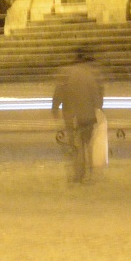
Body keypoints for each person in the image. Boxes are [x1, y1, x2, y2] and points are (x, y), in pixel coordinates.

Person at [51, 48, 104, 183]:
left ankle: (77, 173)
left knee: (75, 145)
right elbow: (97, 96)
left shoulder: (66, 73)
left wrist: (55, 108)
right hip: (87, 116)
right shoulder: (89, 74)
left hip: (71, 115)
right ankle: (89, 172)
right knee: (87, 146)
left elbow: (59, 92)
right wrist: (98, 107)